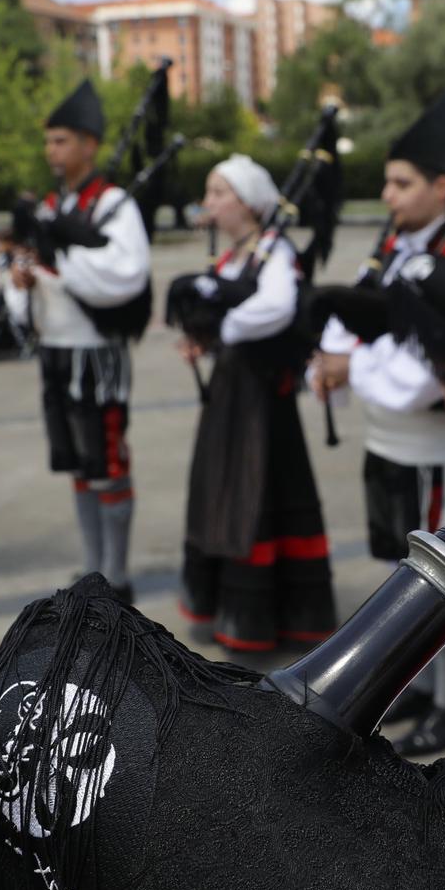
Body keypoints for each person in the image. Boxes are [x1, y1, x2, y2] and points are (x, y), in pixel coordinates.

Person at [312, 89, 445, 754]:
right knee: (397, 565)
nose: (387, 194)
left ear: (442, 185)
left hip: (436, 447)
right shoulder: (392, 246)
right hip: (387, 441)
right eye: (386, 180)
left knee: (440, 574)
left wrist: (351, 366)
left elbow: (423, 376)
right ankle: (415, 677)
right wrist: (349, 353)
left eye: (401, 182)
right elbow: (348, 320)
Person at [173, 155, 337, 652]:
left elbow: (277, 307)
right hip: (230, 393)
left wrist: (223, 328)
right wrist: (203, 338)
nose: (209, 204)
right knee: (225, 489)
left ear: (246, 202)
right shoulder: (236, 256)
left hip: (262, 401)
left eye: (217, 193)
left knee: (257, 493)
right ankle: (227, 605)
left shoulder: (274, 251)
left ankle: (269, 617)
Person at [2, 81, 152, 605]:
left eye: (61, 140)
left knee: (108, 463)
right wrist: (22, 283)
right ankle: (94, 570)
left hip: (95, 356)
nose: (52, 151)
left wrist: (60, 260)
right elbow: (35, 264)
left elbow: (124, 274)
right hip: (57, 351)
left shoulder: (113, 205)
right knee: (80, 466)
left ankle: (118, 571)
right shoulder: (51, 204)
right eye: (49, 142)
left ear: (89, 144)